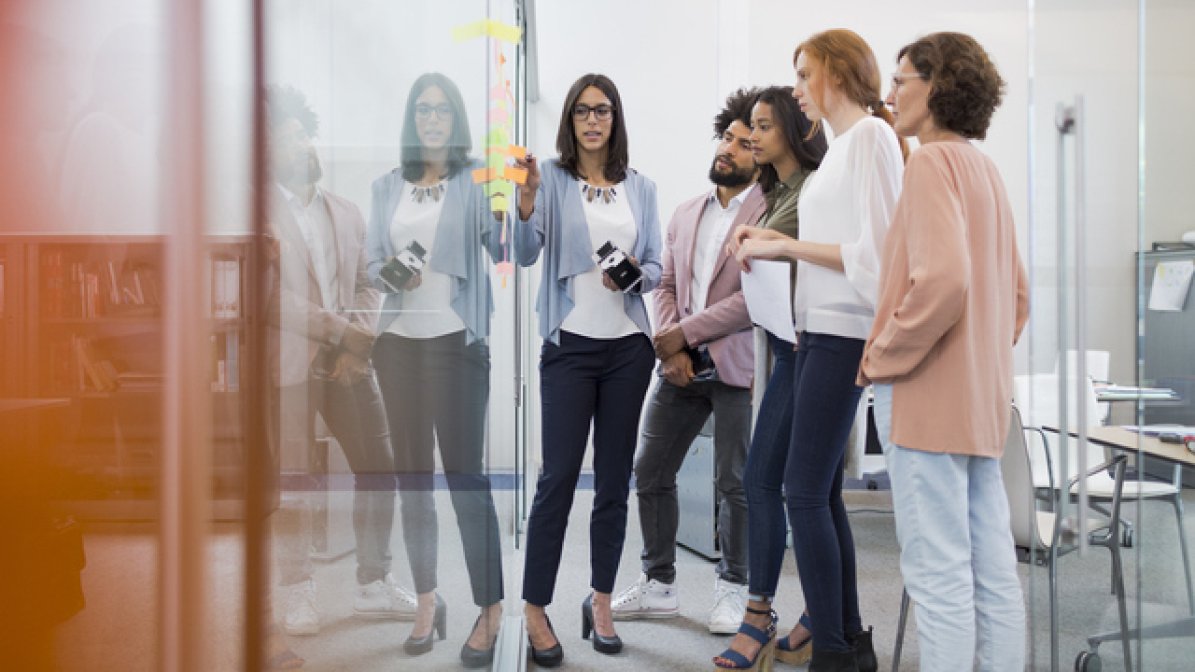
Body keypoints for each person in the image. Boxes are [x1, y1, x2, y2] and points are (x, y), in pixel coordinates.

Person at [728, 29, 906, 672]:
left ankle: (832, 651)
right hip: (817, 332)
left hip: (844, 331)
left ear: (835, 71)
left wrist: (784, 246)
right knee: (821, 494)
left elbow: (880, 260)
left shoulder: (872, 139)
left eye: (805, 75)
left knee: (801, 491)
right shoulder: (839, 151)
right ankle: (850, 640)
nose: (798, 89)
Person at [859, 32, 1029, 672]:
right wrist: (975, 353)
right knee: (991, 573)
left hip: (926, 396)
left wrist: (885, 354)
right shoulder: (985, 169)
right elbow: (1016, 297)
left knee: (938, 578)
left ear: (938, 87)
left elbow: (942, 282)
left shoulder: (929, 164)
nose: (890, 94)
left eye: (901, 79)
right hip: (982, 403)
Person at [513, 73, 661, 666]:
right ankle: (533, 606)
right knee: (556, 482)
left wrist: (634, 272)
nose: (593, 120)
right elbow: (524, 253)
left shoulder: (642, 187)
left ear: (615, 118)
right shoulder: (550, 177)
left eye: (602, 111)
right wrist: (525, 202)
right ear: (570, 121)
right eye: (582, 111)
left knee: (613, 485)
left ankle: (601, 599)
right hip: (570, 347)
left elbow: (654, 265)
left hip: (628, 348)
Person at [609, 87, 766, 634]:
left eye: (746, 144)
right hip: (679, 371)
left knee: (735, 483)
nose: (730, 149)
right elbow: (668, 283)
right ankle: (659, 584)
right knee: (650, 469)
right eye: (727, 137)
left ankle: (734, 589)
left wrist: (680, 335)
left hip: (738, 368)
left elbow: (752, 303)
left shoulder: (770, 213)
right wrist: (670, 344)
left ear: (760, 155)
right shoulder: (684, 212)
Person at [365, 72, 505, 667]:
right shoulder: (384, 187)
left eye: (442, 111)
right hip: (398, 345)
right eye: (422, 110)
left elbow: (501, 249)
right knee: (414, 485)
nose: (431, 120)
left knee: (466, 483)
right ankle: (427, 600)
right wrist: (393, 270)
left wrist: (509, 203)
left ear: (456, 120)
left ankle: (490, 607)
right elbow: (372, 263)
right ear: (411, 119)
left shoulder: (474, 182)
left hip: (456, 346)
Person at [265, 85, 411, 645]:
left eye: (305, 133)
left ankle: (373, 580)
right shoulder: (255, 217)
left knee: (379, 468)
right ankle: (297, 586)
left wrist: (359, 341)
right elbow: (269, 298)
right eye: (288, 135)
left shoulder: (346, 213)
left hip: (351, 366)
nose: (303, 144)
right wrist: (342, 332)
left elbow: (367, 283)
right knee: (295, 482)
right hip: (287, 371)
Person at [712, 85, 827, 670]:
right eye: (747, 126)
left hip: (811, 350)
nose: (751, 135)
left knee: (762, 479)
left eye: (761, 125)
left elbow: (822, 255)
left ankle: (759, 611)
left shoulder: (815, 186)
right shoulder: (775, 188)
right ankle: (823, 610)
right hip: (786, 346)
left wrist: (770, 243)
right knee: (819, 492)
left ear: (790, 130)